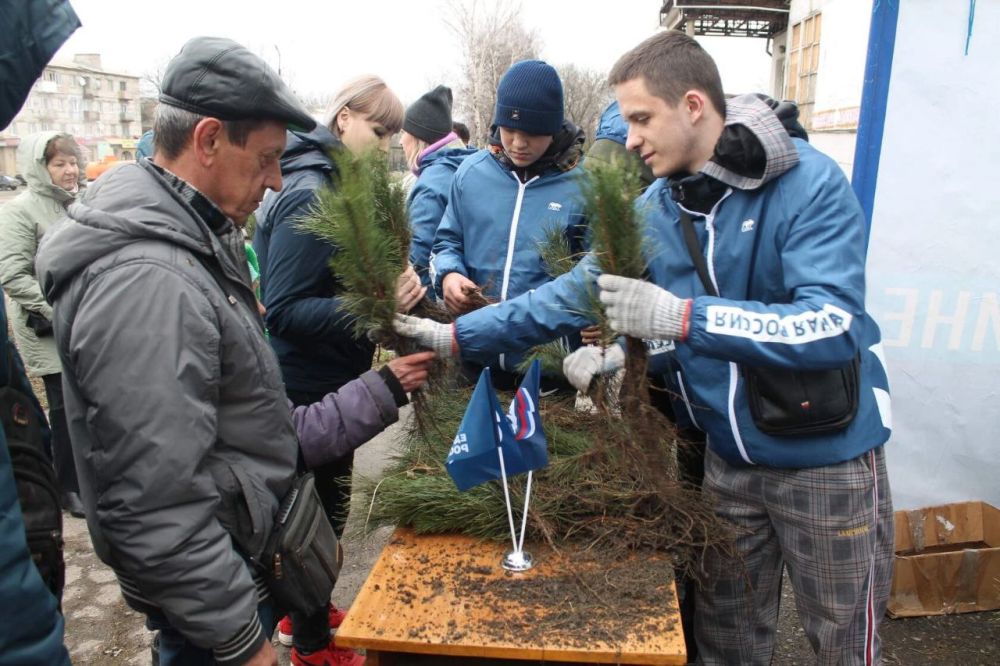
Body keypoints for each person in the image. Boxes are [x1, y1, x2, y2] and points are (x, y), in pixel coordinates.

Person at [394, 30, 894, 665]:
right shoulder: (661, 204)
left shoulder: (809, 184)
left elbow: (831, 326)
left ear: (693, 106)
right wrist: (458, 335)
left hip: (824, 460)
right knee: (726, 641)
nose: (628, 140)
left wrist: (680, 318)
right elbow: (572, 293)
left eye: (640, 118)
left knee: (845, 645)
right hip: (728, 463)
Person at [35, 37, 433, 666]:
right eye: (268, 158)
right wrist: (242, 641)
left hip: (236, 573)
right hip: (216, 612)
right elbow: (156, 499)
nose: (276, 178)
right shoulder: (150, 281)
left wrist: (375, 393)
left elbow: (250, 429)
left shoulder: (195, 242)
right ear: (209, 140)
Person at [252, 74, 423, 666]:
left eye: (392, 136)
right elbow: (285, 309)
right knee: (313, 522)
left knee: (318, 517)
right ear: (344, 117)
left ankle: (307, 611)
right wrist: (375, 304)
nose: (384, 147)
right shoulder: (311, 193)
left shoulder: (336, 183)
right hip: (307, 386)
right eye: (378, 131)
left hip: (331, 377)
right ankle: (312, 644)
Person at [429, 59, 589, 386]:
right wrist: (448, 275)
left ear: (554, 128)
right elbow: (446, 242)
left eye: (531, 133)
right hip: (472, 363)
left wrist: (598, 319)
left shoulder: (584, 188)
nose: (517, 143)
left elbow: (599, 271)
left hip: (548, 374)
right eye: (509, 130)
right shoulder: (471, 174)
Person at [0, 131, 84, 518]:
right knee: (63, 406)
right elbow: (13, 274)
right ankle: (67, 486)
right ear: (40, 168)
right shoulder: (20, 211)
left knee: (86, 401)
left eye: (73, 162)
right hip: (47, 326)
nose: (70, 170)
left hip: (81, 320)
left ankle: (87, 475)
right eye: (59, 164)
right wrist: (58, 309)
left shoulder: (76, 205)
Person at [400, 85, 476, 289]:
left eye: (404, 132)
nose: (401, 140)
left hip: (438, 296)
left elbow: (419, 259)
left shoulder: (431, 185)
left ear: (418, 137)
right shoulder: (468, 167)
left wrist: (421, 303)